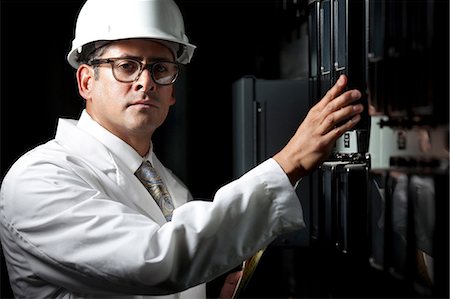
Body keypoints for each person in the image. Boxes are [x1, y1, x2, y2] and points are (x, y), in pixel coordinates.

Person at [0, 0, 363, 298]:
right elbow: (156, 262)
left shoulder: (168, 188)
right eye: (126, 66)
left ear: (172, 91)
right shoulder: (40, 178)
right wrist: (289, 163)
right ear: (86, 81)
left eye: (160, 68)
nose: (145, 81)